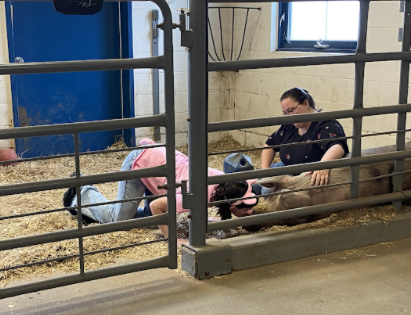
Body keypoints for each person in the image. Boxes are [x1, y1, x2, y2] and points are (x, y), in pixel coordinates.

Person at [63, 139, 259, 241]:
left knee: (150, 220)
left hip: (164, 168)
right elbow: (158, 205)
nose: (250, 212)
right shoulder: (197, 194)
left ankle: (91, 211)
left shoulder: (234, 184)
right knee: (120, 220)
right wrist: (172, 240)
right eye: (246, 208)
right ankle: (81, 192)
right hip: (141, 162)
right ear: (230, 203)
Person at [263, 87, 349, 185]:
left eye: (291, 110)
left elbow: (337, 146)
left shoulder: (325, 124)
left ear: (305, 103)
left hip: (307, 175)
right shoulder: (289, 125)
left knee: (267, 190)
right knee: (257, 185)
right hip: (287, 166)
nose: (289, 117)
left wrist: (323, 165)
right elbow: (270, 144)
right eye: (285, 113)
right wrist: (264, 172)